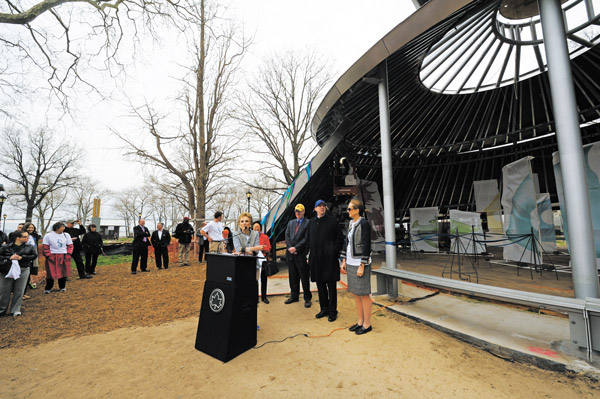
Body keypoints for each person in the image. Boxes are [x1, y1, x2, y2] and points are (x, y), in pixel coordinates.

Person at [305, 200, 343, 322]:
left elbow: (339, 238)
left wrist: (333, 251)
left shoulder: (332, 221)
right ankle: (324, 309)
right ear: (315, 209)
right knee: (320, 286)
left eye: (323, 206)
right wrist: (308, 256)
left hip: (329, 259)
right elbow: (308, 240)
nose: (321, 208)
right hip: (316, 260)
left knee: (331, 286)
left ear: (326, 208)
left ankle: (333, 311)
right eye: (319, 206)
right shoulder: (311, 223)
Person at [340, 199, 373, 335]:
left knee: (364, 294)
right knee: (356, 293)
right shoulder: (351, 223)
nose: (348, 211)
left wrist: (362, 265)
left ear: (356, 210)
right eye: (347, 209)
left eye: (349, 209)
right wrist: (344, 260)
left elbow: (366, 245)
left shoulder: (364, 223)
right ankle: (360, 321)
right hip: (351, 262)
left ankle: (367, 324)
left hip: (360, 263)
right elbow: (346, 242)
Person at [0, 231, 37, 316]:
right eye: (25, 237)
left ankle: (15, 309)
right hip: (7, 270)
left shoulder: (30, 247)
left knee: (19, 290)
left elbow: (34, 256)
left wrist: (22, 257)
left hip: (23, 269)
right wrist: (9, 257)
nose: (28, 238)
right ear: (18, 238)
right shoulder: (5, 247)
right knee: (4, 290)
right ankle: (2, 309)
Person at [284, 204, 312, 308]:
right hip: (291, 254)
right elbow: (286, 235)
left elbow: (306, 238)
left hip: (301, 255)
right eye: (296, 211)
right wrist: (290, 247)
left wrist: (296, 248)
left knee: (304, 277)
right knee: (293, 276)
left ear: (304, 212)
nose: (297, 213)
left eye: (299, 211)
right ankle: (294, 296)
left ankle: (307, 297)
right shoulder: (291, 223)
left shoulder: (308, 223)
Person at [42, 222, 73, 293]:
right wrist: (49, 255)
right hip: (52, 256)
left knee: (63, 271)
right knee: (50, 272)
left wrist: (68, 254)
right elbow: (45, 247)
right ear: (57, 228)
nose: (64, 228)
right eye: (62, 227)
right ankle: (48, 288)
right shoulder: (48, 236)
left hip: (63, 256)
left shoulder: (66, 235)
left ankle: (62, 287)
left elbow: (70, 245)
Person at [253, 221, 271, 304]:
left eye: (258, 227)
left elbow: (268, 248)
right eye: (255, 227)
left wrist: (262, 249)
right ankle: (255, 297)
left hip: (263, 260)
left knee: (264, 279)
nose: (257, 228)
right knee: (254, 280)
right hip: (253, 260)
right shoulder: (250, 237)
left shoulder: (265, 237)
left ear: (260, 228)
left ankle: (264, 297)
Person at [22, 223, 40, 297]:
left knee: (28, 275)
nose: (31, 229)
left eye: (32, 228)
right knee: (23, 277)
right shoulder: (22, 235)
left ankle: (24, 293)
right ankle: (21, 293)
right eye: (29, 227)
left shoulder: (34, 236)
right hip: (25, 256)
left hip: (33, 256)